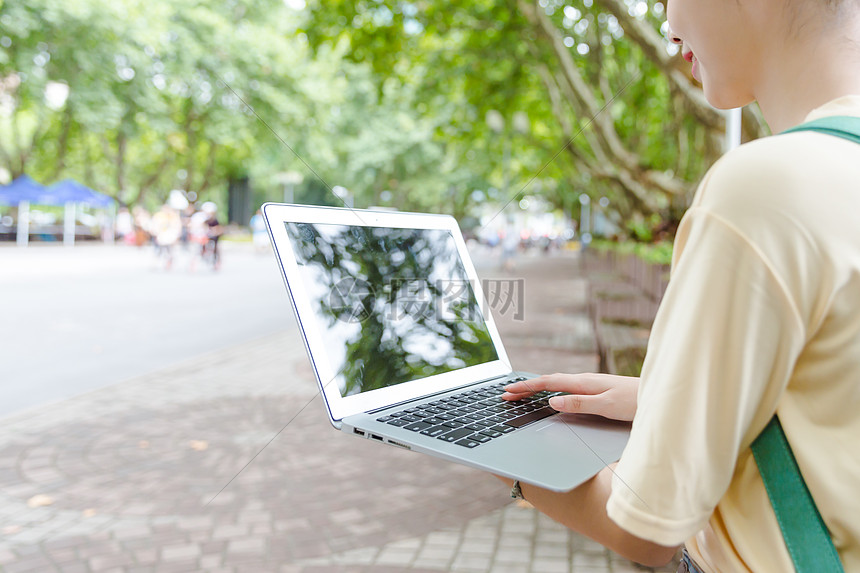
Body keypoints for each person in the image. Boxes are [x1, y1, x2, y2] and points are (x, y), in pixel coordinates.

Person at [498, 2, 860, 572]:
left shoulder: (763, 190)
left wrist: (505, 456)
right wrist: (659, 398)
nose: (666, 26)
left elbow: (644, 526)